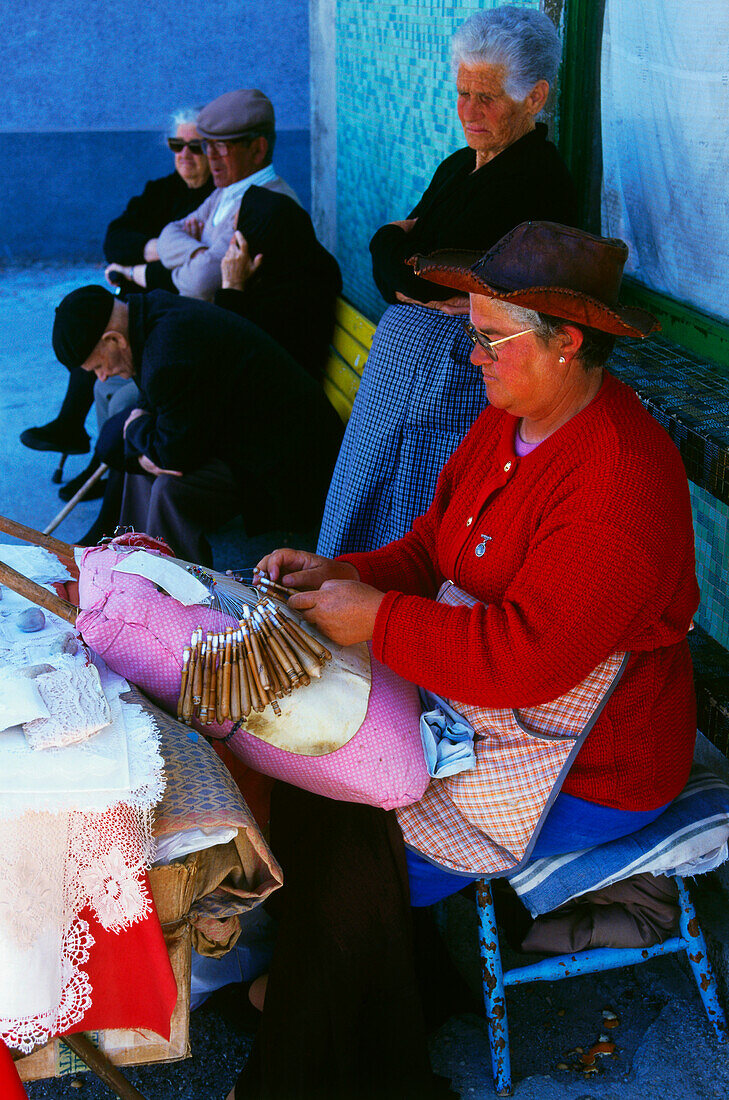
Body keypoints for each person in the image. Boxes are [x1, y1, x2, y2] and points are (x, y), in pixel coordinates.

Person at [238, 222, 699, 1098]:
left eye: (492, 338)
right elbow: (433, 547)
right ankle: (351, 986)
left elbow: (525, 659)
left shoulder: (615, 484)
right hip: (495, 708)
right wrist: (345, 572)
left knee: (358, 837)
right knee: (313, 775)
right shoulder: (510, 421)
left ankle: (332, 1012)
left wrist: (375, 619)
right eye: (472, 332)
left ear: (567, 344)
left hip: (594, 758)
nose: (473, 356)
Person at [318, 6, 577, 558]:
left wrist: (400, 247)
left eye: (488, 97)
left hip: (452, 382)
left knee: (409, 517)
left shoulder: (536, 180)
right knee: (360, 504)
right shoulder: (460, 166)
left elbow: (433, 278)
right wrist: (396, 250)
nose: (470, 111)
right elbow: (397, 271)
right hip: (404, 379)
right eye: (463, 93)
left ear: (534, 97)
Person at [50, 285, 343, 565]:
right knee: (141, 460)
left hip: (293, 466)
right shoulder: (150, 312)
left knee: (169, 487)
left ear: (114, 340)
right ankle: (135, 560)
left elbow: (175, 457)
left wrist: (134, 431)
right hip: (252, 436)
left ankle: (177, 599)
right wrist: (143, 441)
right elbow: (160, 416)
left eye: (98, 367)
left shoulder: (167, 351)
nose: (102, 377)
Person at [20, 109, 213, 476]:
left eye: (196, 146)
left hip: (175, 313)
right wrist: (160, 249)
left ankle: (85, 443)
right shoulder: (162, 190)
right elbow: (116, 238)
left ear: (212, 150)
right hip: (145, 303)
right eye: (177, 145)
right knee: (91, 324)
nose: (184, 155)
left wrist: (134, 270)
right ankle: (76, 433)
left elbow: (194, 275)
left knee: (102, 332)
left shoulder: (213, 202)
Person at [146, 89, 299, 302]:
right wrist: (200, 254)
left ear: (257, 150)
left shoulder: (268, 205)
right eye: (208, 145)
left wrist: (179, 266)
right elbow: (167, 236)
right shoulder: (227, 191)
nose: (211, 156)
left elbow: (201, 282)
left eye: (222, 146)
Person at [215, 186, 342, 378]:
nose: (232, 243)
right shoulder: (294, 274)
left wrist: (232, 286)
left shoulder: (295, 300)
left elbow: (228, 359)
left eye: (240, 233)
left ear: (262, 236)